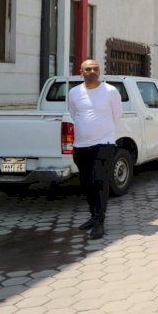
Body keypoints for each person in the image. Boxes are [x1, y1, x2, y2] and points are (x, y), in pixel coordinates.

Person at [68, 59, 122, 240]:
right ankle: (93, 216)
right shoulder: (74, 92)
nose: (92, 71)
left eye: (95, 69)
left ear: (99, 71)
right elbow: (74, 114)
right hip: (80, 145)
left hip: (104, 144)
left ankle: (99, 221)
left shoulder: (110, 91)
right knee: (86, 183)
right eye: (88, 69)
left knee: (99, 181)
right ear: (81, 72)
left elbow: (117, 115)